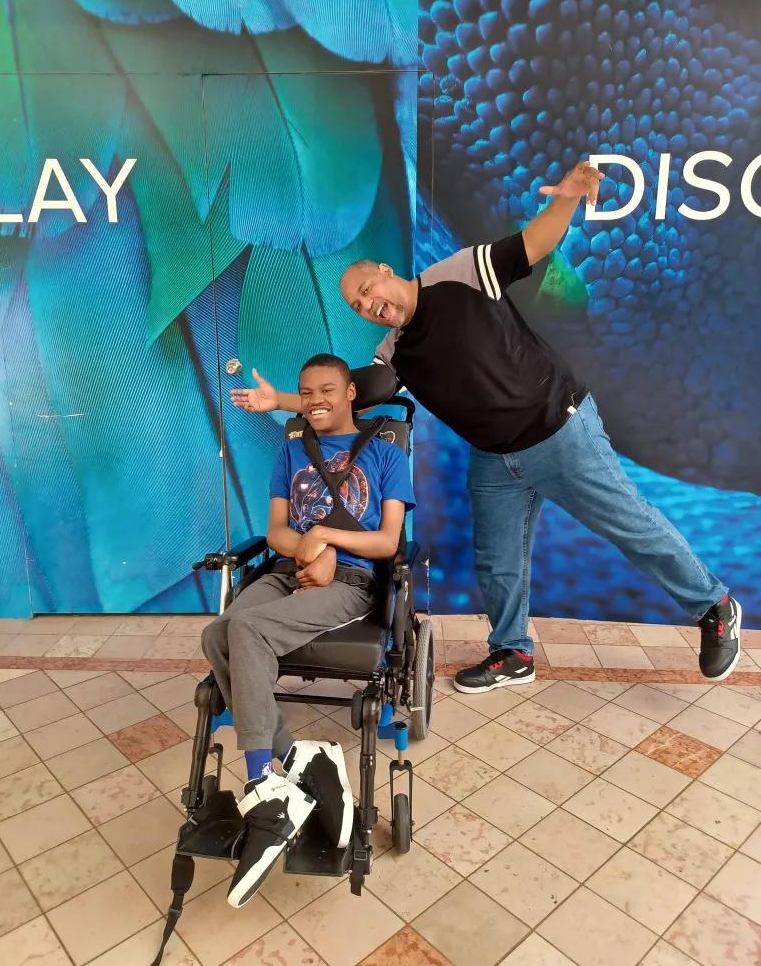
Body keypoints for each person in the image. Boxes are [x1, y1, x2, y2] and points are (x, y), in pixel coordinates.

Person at [230, 162, 741, 693]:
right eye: (358, 306)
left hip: (558, 429)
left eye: (366, 289)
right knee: (498, 562)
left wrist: (567, 197)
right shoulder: (393, 353)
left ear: (384, 270)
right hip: (496, 458)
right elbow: (347, 394)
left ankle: (714, 605)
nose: (368, 305)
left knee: (630, 525)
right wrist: (280, 400)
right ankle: (511, 652)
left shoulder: (461, 271)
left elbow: (532, 244)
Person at [202, 353, 414, 908]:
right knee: (216, 635)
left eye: (328, 390)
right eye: (306, 392)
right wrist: (307, 550)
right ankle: (300, 760)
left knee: (247, 629)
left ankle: (265, 789)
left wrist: (328, 542)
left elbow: (388, 542)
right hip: (290, 569)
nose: (316, 401)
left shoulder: (388, 454)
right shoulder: (291, 451)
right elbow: (275, 531)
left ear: (350, 393)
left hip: (351, 581)